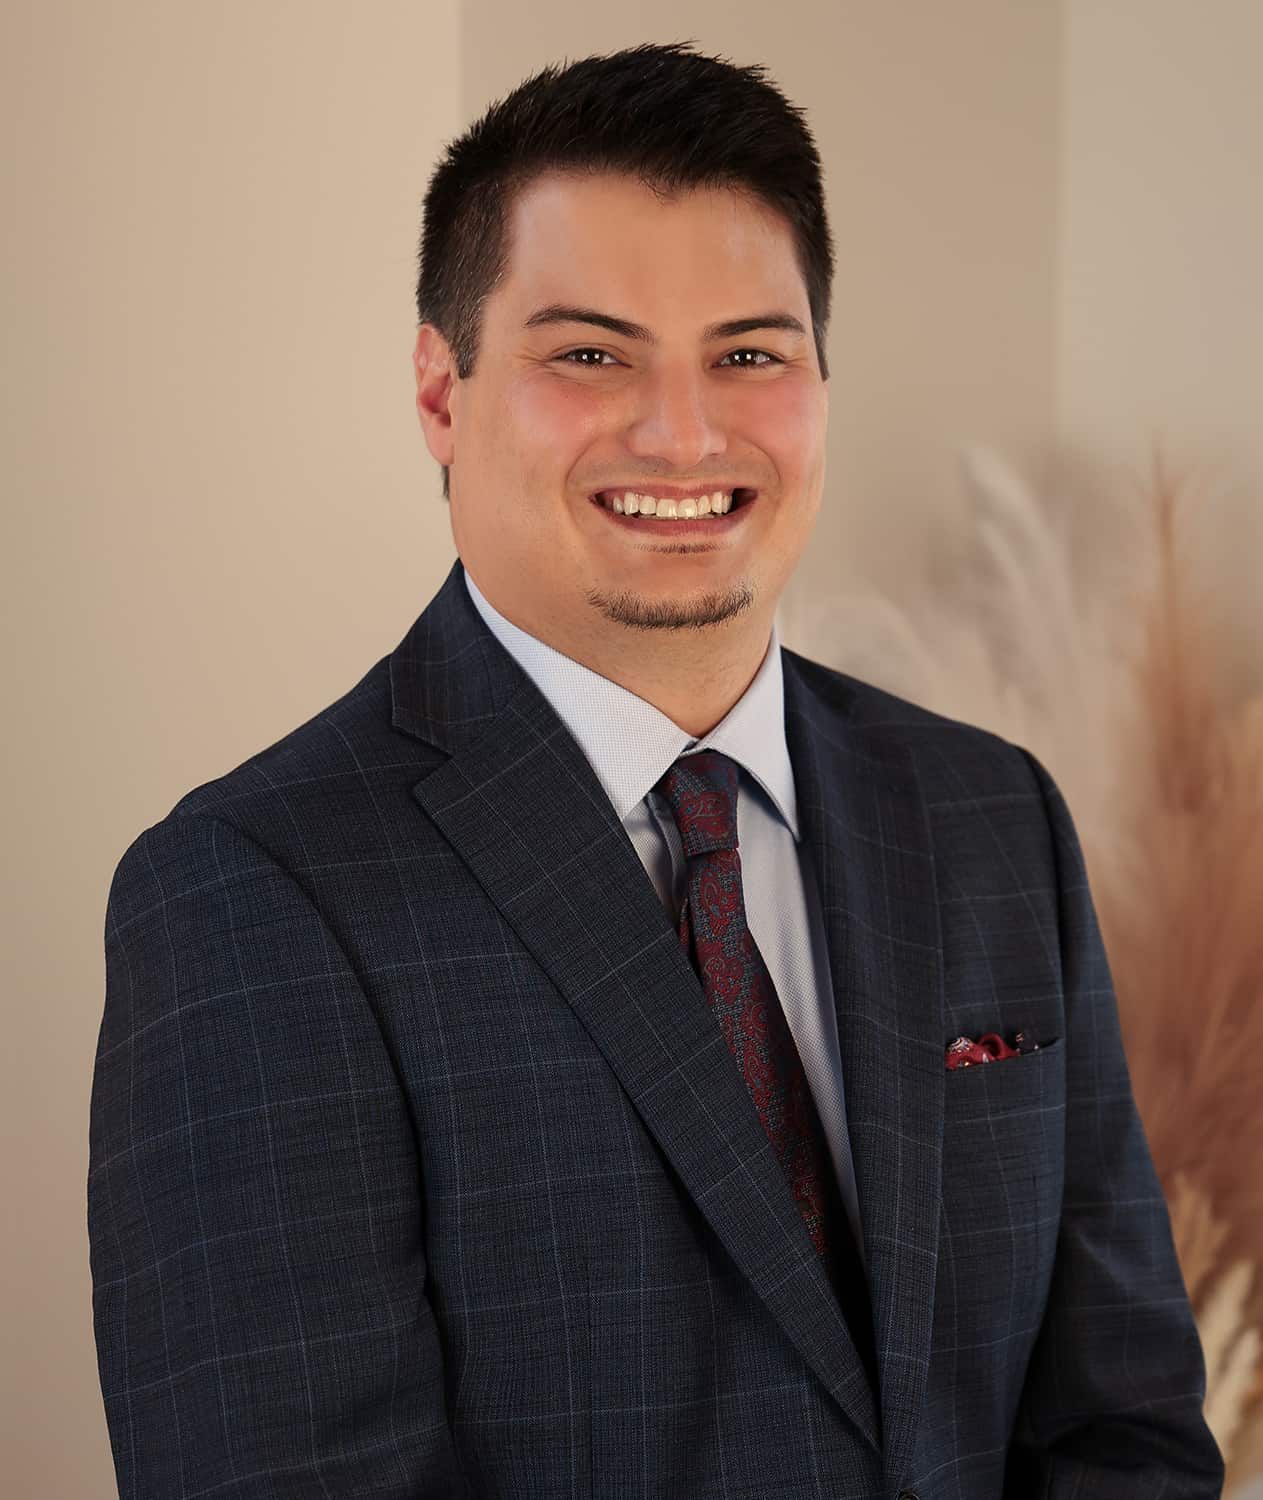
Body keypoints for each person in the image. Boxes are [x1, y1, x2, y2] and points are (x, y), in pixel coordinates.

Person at [87, 40, 1223, 1500]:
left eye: (750, 353)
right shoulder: (252, 897)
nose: (685, 432)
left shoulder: (991, 816)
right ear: (442, 391)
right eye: (590, 354)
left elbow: (1124, 1435)